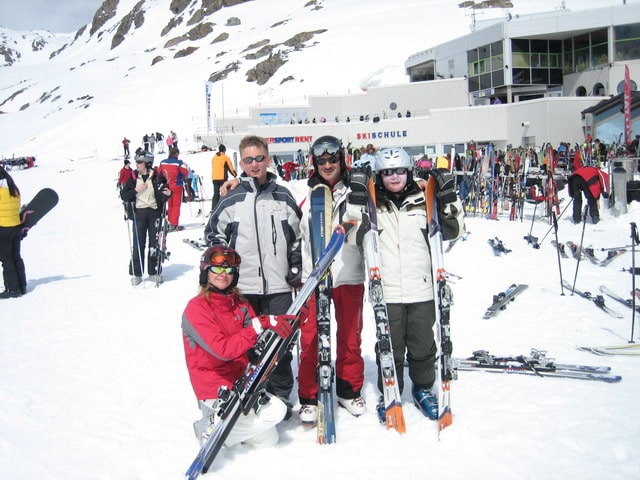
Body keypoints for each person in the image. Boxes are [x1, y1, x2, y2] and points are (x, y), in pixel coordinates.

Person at [204, 135, 302, 417]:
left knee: (280, 344)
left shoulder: (282, 196)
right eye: (248, 160)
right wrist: (225, 271)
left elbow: (298, 237)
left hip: (279, 286)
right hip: (243, 289)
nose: (255, 164)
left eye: (259, 158)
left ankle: (280, 397)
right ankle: (252, 395)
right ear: (242, 164)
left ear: (268, 159)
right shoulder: (232, 198)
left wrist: (295, 264)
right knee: (247, 344)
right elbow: (213, 235)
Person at [287, 135, 367, 425]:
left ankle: (348, 388)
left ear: (341, 159)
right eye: (321, 160)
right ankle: (309, 395)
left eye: (333, 159)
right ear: (314, 162)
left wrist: (420, 181)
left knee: (350, 335)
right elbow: (294, 231)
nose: (328, 165)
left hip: (348, 273)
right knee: (310, 338)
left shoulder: (357, 189)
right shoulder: (303, 191)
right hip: (314, 276)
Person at [182, 245, 293, 447]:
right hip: (214, 389)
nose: (223, 274)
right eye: (217, 269)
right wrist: (261, 324)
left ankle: (227, 435)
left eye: (229, 270)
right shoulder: (196, 308)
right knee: (277, 410)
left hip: (241, 383)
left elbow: (255, 340)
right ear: (205, 272)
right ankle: (210, 427)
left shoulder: (240, 304)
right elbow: (223, 350)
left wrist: (282, 328)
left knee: (269, 440)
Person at [372, 147, 439, 420]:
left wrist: (447, 196)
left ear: (408, 171)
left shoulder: (423, 199)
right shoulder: (373, 203)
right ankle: (391, 390)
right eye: (387, 172)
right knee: (390, 347)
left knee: (423, 345)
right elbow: (354, 237)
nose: (394, 177)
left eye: (399, 170)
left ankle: (423, 388)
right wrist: (357, 196)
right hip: (388, 291)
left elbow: (453, 230)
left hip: (421, 287)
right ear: (379, 175)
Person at [120, 151, 172, 285]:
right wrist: (136, 190)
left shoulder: (157, 177)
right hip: (139, 213)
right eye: (136, 162)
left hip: (154, 213)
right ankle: (137, 273)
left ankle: (153, 271)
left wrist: (168, 193)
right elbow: (124, 195)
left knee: (154, 244)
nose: (136, 164)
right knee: (138, 244)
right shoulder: (133, 178)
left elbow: (164, 193)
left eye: (139, 162)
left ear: (147, 163)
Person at [0, 166, 26, 298]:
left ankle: (12, 290)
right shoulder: (13, 188)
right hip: (16, 227)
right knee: (16, 257)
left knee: (7, 260)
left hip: (3, 228)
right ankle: (22, 286)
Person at [158, 146, 189, 231]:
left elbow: (159, 172)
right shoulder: (179, 163)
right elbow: (185, 173)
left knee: (170, 204)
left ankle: (170, 222)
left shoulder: (163, 162)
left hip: (167, 185)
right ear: (176, 154)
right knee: (176, 205)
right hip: (177, 185)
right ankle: (174, 224)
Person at [210, 144, 236, 211]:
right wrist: (234, 174)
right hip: (222, 178)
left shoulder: (214, 158)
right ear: (224, 150)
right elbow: (230, 167)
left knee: (216, 194)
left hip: (214, 178)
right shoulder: (225, 157)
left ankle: (214, 209)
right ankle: (224, 208)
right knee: (224, 192)